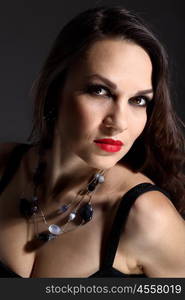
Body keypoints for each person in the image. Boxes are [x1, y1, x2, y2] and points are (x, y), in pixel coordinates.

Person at [0, 6, 185, 278]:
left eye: (138, 100)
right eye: (100, 91)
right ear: (55, 91)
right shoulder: (4, 167)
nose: (119, 122)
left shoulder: (146, 216)